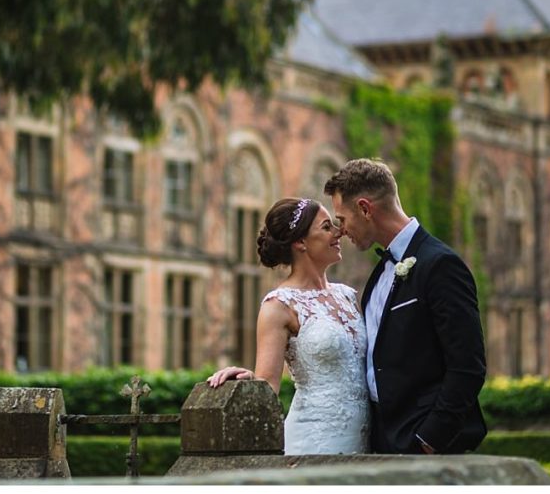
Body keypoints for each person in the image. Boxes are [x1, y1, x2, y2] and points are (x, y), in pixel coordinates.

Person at [324, 158, 487, 455]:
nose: (341, 230)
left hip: (425, 446)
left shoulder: (440, 265)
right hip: (379, 443)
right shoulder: (378, 275)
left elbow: (468, 365)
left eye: (342, 219)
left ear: (364, 208)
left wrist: (429, 439)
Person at [207, 197, 370, 455]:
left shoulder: (347, 295)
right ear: (300, 242)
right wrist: (249, 379)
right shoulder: (279, 305)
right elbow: (267, 386)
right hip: (314, 442)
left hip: (367, 442)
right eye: (327, 227)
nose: (339, 232)